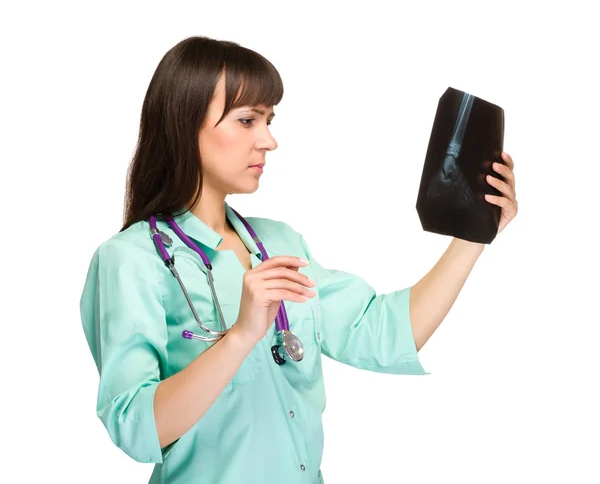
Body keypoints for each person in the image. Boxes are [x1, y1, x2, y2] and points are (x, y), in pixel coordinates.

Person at [79, 36, 518, 484]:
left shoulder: (278, 243)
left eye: (269, 120)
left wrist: (475, 235)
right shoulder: (131, 260)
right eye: (247, 120)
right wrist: (241, 335)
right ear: (183, 124)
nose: (268, 141)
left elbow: (384, 334)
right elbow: (134, 427)